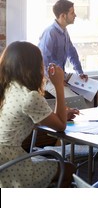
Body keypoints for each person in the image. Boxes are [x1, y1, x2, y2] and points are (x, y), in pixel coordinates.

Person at [0, 41, 78, 187]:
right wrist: (59, 85)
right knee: (69, 169)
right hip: (10, 166)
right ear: (33, 67)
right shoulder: (29, 96)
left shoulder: (7, 88)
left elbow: (22, 119)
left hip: (4, 160)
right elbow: (61, 126)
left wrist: (59, 116)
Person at [38, 0, 88, 82]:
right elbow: (43, 61)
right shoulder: (50, 33)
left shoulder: (64, 31)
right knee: (74, 95)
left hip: (61, 76)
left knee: (90, 91)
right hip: (49, 80)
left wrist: (79, 72)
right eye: (72, 13)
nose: (75, 15)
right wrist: (56, 81)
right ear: (63, 16)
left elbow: (72, 53)